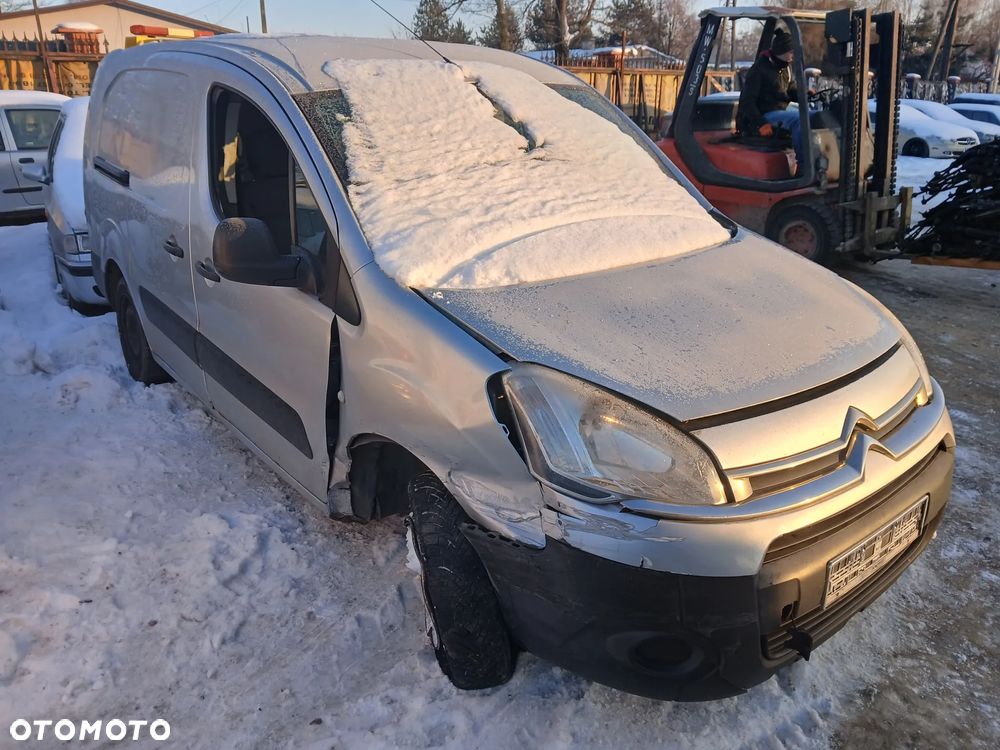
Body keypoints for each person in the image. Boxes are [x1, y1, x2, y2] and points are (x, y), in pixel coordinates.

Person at [737, 29, 806, 172]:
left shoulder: (785, 68)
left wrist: (805, 95)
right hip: (765, 114)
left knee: (814, 115)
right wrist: (760, 123)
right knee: (801, 119)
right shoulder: (759, 69)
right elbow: (747, 101)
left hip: (781, 111)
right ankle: (805, 166)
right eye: (792, 51)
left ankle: (817, 161)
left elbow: (790, 89)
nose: (794, 55)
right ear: (782, 50)